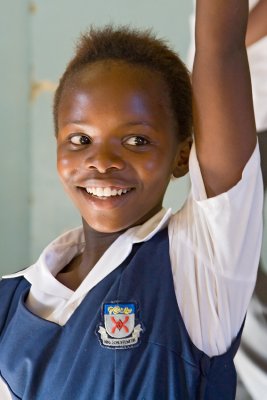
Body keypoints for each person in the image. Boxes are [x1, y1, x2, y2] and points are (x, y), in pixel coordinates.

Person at [0, 0, 263, 399]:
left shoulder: (197, 267)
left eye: (136, 141)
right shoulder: (9, 300)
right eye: (80, 140)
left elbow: (220, 48)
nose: (102, 161)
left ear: (181, 155)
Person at [188, 1, 267, 398]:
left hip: (248, 110)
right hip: (235, 106)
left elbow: (223, 44)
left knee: (232, 267)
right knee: (236, 271)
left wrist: (216, 51)